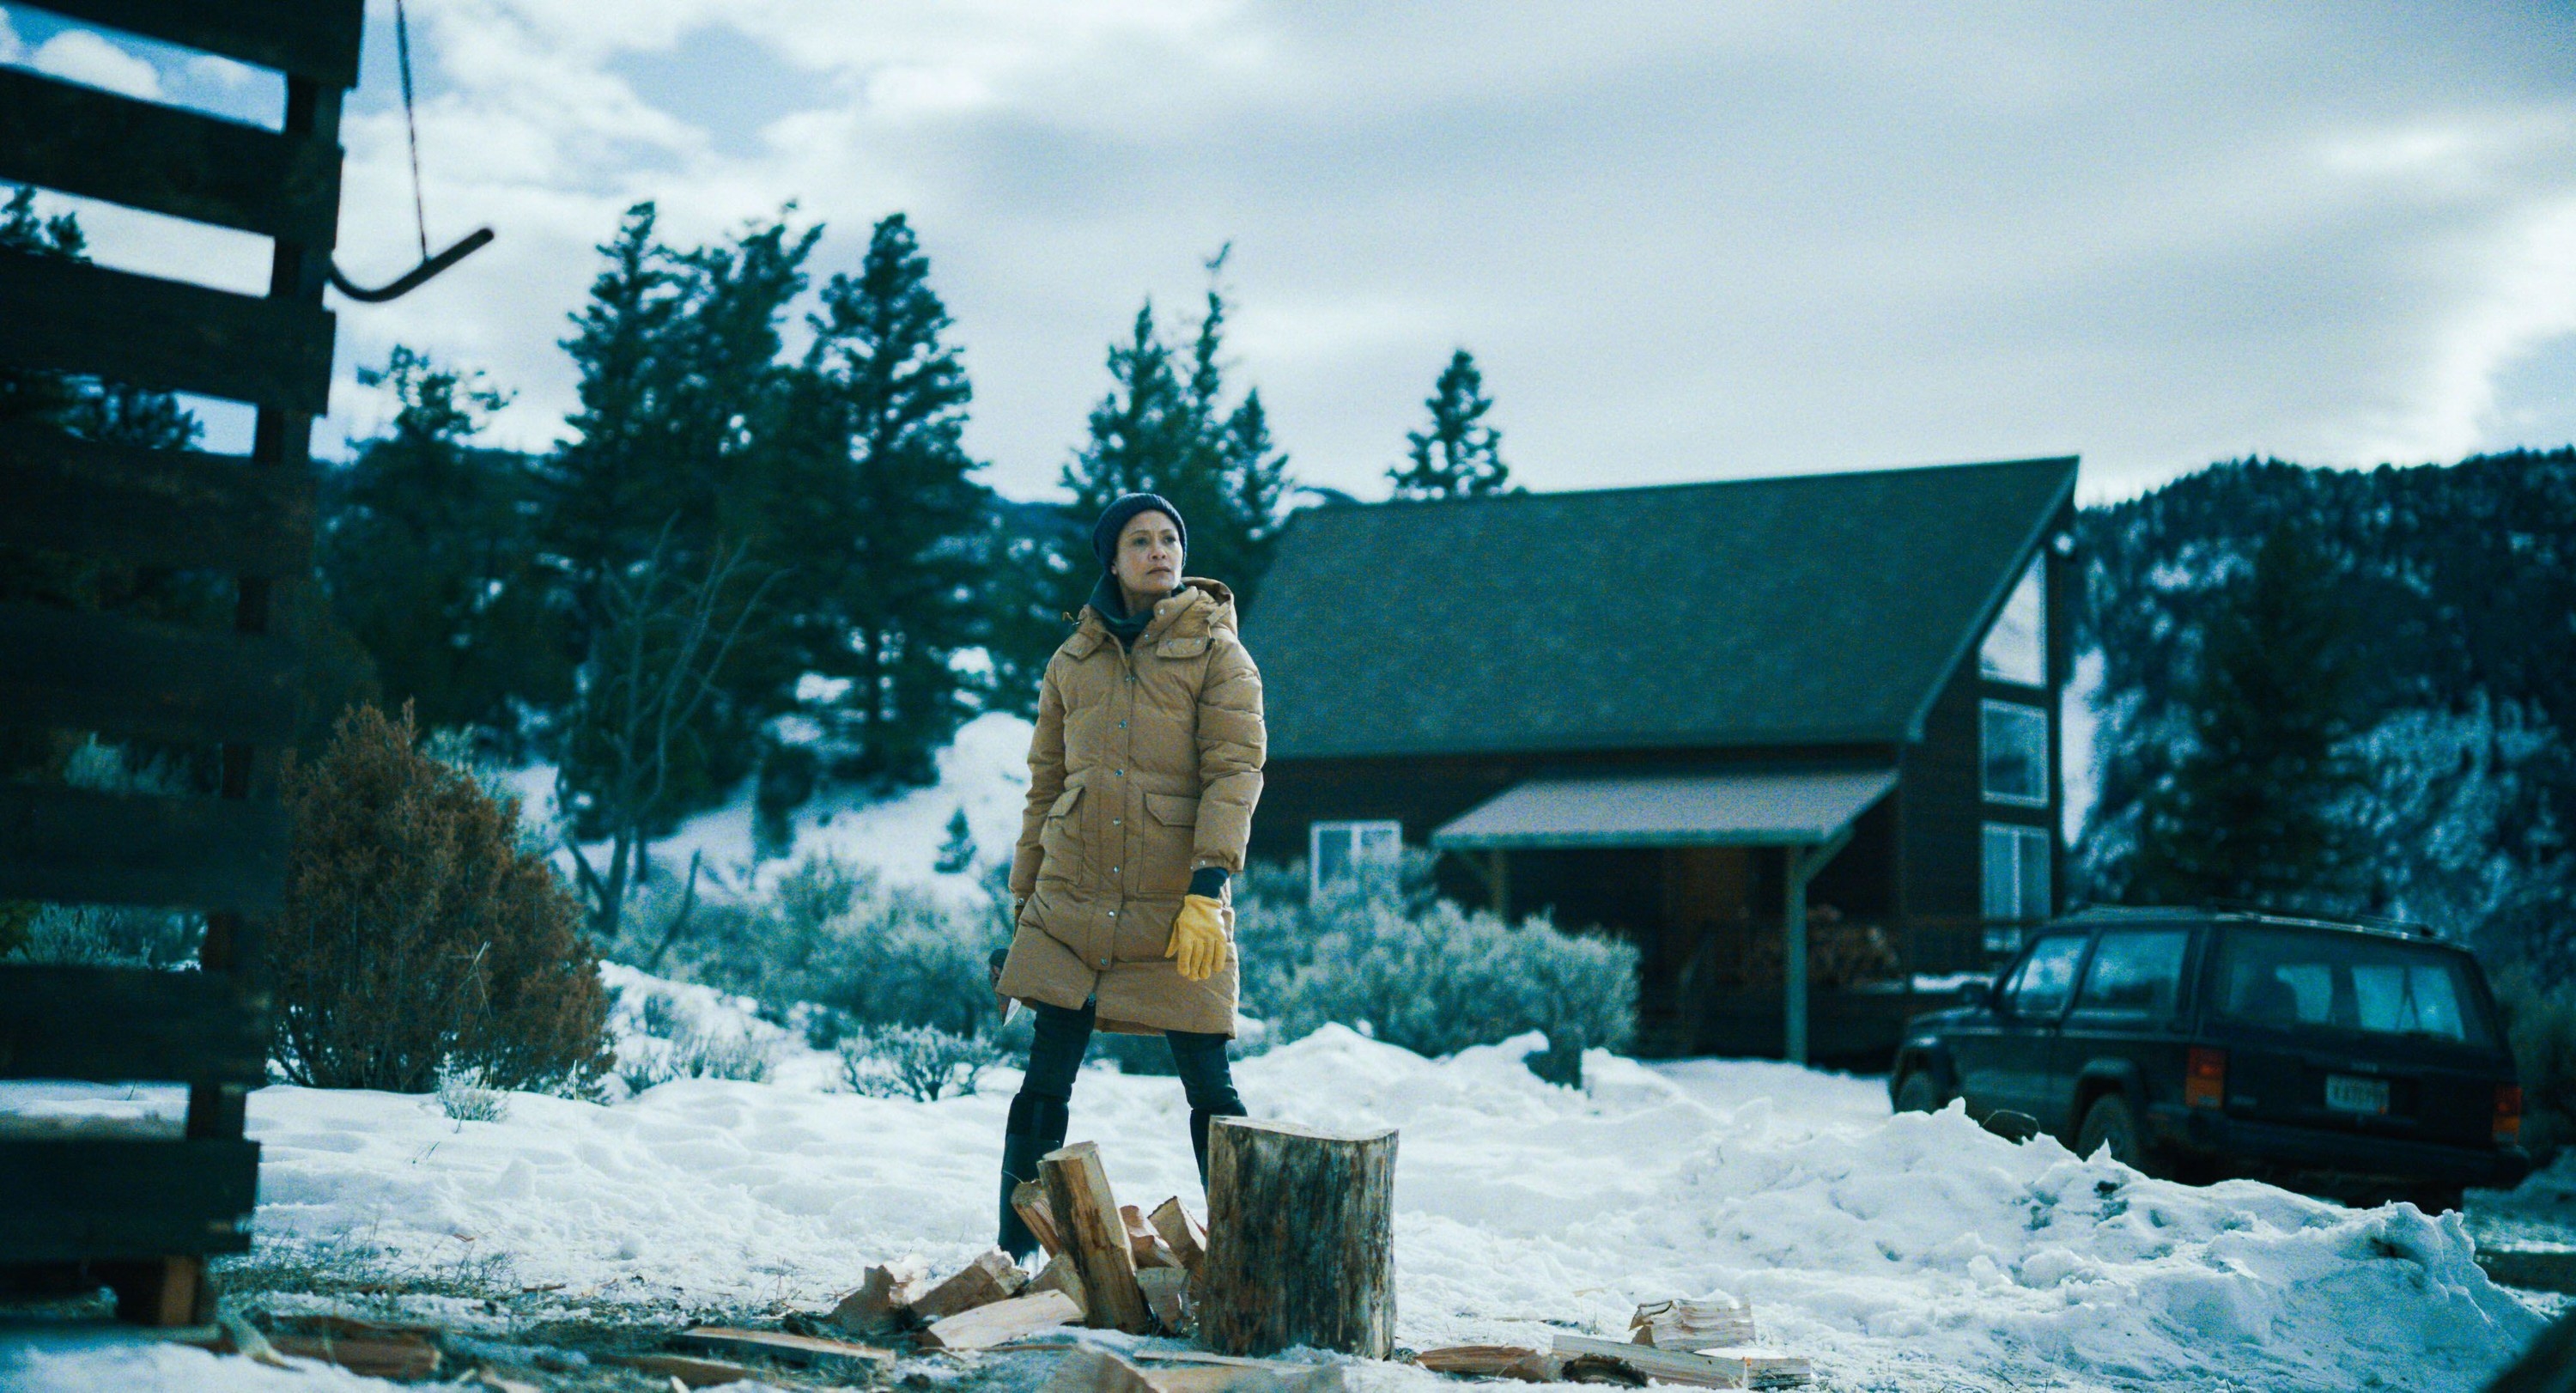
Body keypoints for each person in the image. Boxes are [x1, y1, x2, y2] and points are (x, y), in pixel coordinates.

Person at [989, 493, 1266, 1261]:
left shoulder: (1218, 653)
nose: (1159, 551)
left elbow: (1236, 773)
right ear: (1112, 560)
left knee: (1208, 1083)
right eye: (1140, 541)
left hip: (1176, 907)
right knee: (1044, 1083)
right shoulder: (1070, 661)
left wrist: (1208, 891)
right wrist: (1023, 900)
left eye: (1170, 538)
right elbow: (1046, 784)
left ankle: (1252, 1260)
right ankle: (1013, 1261)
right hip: (1068, 904)